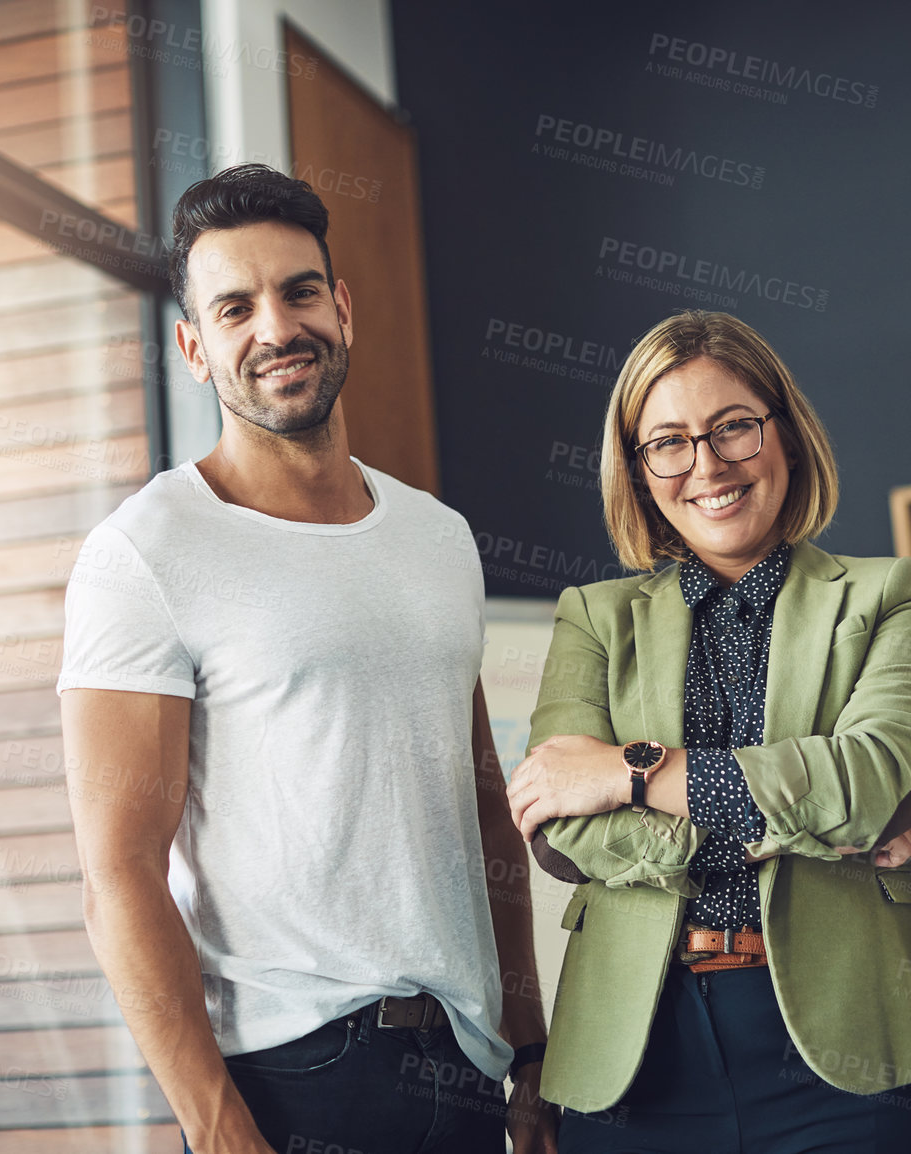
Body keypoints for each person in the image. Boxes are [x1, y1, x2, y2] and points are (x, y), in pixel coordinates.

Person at [57, 164, 557, 1154]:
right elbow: (118, 872)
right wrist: (217, 1126)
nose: (275, 327)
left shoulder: (436, 535)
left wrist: (530, 1045)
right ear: (194, 348)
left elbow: (481, 801)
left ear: (344, 307)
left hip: (462, 1062)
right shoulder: (143, 551)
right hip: (293, 1076)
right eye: (234, 307)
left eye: (298, 290)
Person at [506, 310, 911, 1152]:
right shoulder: (594, 619)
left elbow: (867, 787)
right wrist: (800, 823)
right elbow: (563, 829)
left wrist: (632, 770)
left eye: (734, 429)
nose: (707, 466)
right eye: (669, 442)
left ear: (783, 433)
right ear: (640, 473)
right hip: (634, 1056)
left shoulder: (891, 593)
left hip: (851, 1055)